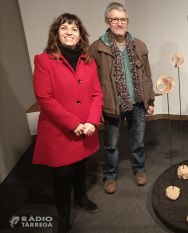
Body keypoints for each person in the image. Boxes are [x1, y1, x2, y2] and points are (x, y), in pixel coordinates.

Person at [33, 13, 103, 232]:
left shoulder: (88, 60)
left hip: (86, 127)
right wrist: (74, 123)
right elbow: (45, 98)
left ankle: (80, 198)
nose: (69, 32)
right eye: (64, 28)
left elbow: (96, 94)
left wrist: (92, 121)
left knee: (81, 165)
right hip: (59, 129)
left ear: (80, 34)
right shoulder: (43, 60)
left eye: (74, 29)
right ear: (57, 33)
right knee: (62, 174)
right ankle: (63, 214)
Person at [90, 2, 155, 194]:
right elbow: (92, 82)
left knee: (138, 141)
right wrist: (96, 109)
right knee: (111, 144)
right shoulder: (97, 48)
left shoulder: (139, 45)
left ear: (127, 22)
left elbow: (147, 76)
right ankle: (110, 175)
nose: (119, 23)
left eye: (123, 19)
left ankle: (139, 169)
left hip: (137, 103)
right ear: (107, 22)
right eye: (115, 19)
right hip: (112, 105)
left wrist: (150, 100)